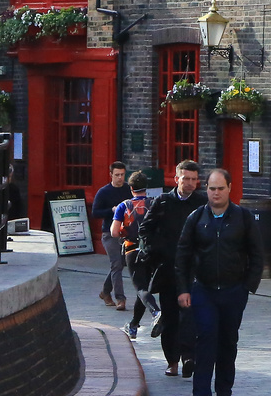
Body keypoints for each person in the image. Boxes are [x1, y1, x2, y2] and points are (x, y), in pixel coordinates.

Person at [176, 169, 263, 396]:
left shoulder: (243, 218)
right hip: (203, 290)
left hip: (234, 290)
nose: (216, 193)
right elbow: (182, 256)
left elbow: (257, 253)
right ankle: (201, 391)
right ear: (206, 189)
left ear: (229, 188)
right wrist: (184, 289)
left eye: (220, 189)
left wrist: (248, 286)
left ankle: (224, 390)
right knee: (205, 339)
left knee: (228, 343)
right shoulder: (196, 218)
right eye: (212, 189)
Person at [138, 159, 206, 377]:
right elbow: (145, 230)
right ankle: (172, 361)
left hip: (193, 270)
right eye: (186, 179)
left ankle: (189, 357)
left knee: (190, 315)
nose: (190, 183)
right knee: (170, 316)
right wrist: (158, 251)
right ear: (177, 179)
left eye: (194, 179)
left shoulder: (202, 203)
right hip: (168, 268)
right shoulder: (163, 202)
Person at [111, 171, 161, 339]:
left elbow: (114, 232)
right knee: (144, 288)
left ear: (130, 187)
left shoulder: (123, 206)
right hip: (152, 250)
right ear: (146, 187)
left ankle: (156, 312)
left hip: (132, 250)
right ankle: (133, 325)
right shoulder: (154, 203)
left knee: (140, 288)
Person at [91, 161, 132, 309]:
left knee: (119, 264)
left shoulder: (128, 189)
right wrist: (112, 210)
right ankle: (120, 298)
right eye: (117, 175)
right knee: (116, 264)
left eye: (122, 175)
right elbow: (95, 212)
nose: (120, 178)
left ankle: (105, 291)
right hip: (109, 233)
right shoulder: (104, 192)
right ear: (111, 175)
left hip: (125, 232)